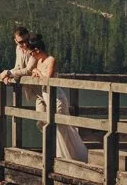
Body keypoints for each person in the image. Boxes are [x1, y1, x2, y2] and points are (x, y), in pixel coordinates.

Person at [23, 32, 89, 162]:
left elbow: (48, 79)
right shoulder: (39, 61)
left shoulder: (51, 59)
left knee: (61, 126)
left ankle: (70, 156)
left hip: (57, 97)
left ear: (37, 50)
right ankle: (60, 155)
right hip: (47, 97)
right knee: (51, 125)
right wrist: (36, 71)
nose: (31, 55)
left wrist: (37, 72)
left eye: (32, 53)